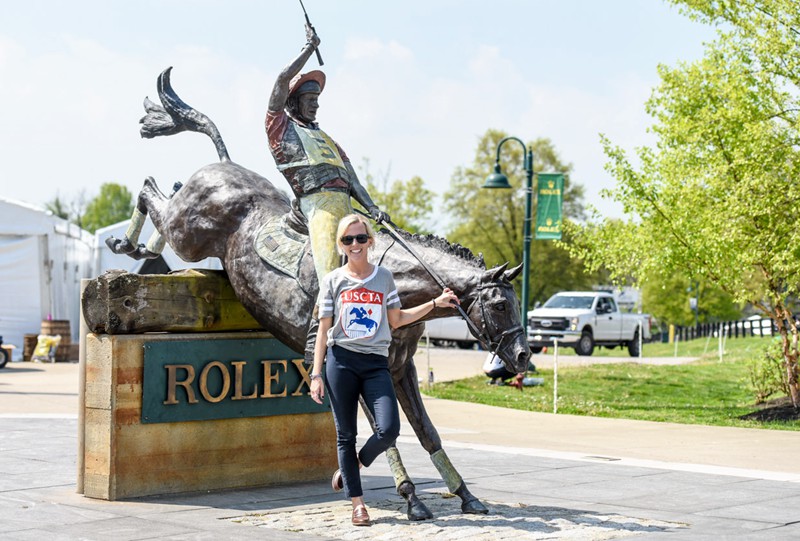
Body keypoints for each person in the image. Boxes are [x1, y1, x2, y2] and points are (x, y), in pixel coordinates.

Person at [309, 214, 457, 527]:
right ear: (341, 244)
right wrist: (316, 373)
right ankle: (357, 504)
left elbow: (398, 319)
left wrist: (435, 303)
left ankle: (358, 463)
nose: (355, 245)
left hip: (376, 363)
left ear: (370, 241)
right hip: (341, 362)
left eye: (361, 238)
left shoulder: (383, 278)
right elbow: (323, 331)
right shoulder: (333, 281)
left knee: (388, 429)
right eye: (348, 240)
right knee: (345, 435)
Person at [266, 25, 389, 363]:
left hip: (348, 208)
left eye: (317, 101)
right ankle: (314, 341)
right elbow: (279, 82)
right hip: (317, 208)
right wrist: (307, 49)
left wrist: (374, 209)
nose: (316, 106)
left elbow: (355, 182)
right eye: (309, 101)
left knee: (375, 265)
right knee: (330, 277)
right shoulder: (280, 128)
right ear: (293, 103)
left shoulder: (332, 142)